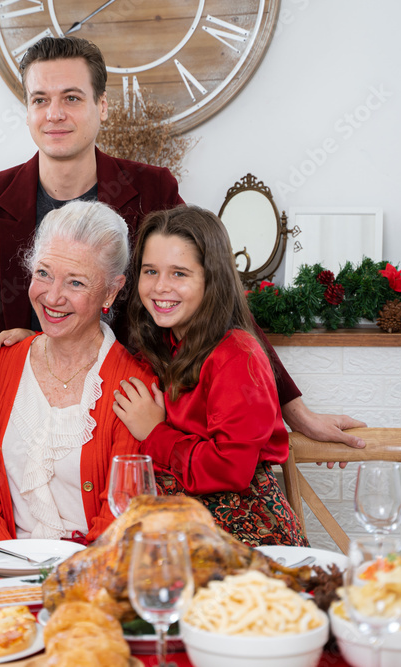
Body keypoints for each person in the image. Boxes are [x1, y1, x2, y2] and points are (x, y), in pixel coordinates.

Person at [0, 35, 366, 454]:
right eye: (39, 99)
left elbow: (219, 298)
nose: (54, 113)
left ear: (101, 106)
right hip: (21, 415)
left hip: (126, 414)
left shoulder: (150, 189)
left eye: (71, 97)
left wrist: (297, 412)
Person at [0, 200, 156, 544]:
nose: (53, 296)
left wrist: (67, 577)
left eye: (76, 283)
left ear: (111, 290)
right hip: (2, 570)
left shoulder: (137, 386)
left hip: (91, 577)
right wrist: (11, 564)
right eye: (43, 273)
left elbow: (124, 510)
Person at [113, 206, 308, 546]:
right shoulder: (161, 345)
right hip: (182, 526)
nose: (160, 287)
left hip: (245, 530)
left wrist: (154, 432)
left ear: (211, 277)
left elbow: (231, 468)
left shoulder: (238, 355)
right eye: (150, 271)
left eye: (179, 274)